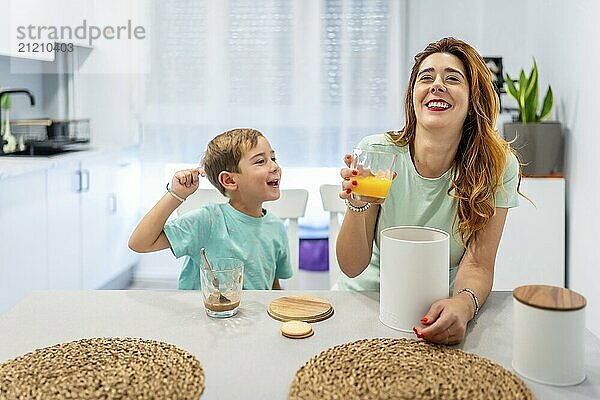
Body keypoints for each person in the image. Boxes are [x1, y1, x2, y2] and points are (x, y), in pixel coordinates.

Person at [336, 37, 522, 345]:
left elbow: (478, 262)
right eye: (426, 78)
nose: (436, 85)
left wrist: (463, 306)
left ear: (473, 99)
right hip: (368, 300)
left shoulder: (499, 165)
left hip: (439, 309)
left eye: (452, 78)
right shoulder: (376, 153)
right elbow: (352, 267)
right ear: (413, 97)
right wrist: (358, 204)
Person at [128, 128, 292, 290]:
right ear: (229, 179)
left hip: (254, 316)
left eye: (273, 158)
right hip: (200, 315)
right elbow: (140, 243)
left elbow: (272, 286)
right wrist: (176, 194)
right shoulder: (207, 221)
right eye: (260, 161)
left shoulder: (276, 228)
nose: (275, 166)